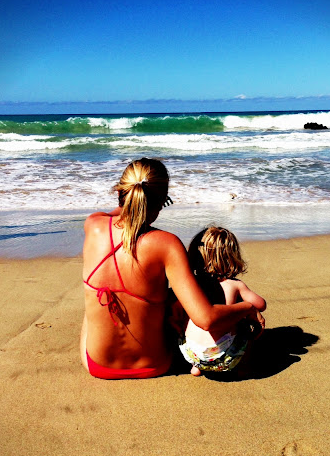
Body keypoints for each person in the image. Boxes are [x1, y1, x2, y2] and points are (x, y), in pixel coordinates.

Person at [80, 158, 263, 379]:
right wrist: (247, 308)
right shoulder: (167, 244)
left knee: (97, 296)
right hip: (155, 364)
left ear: (121, 192)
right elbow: (206, 319)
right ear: (161, 202)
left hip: (98, 366)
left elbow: (116, 215)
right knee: (174, 297)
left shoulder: (93, 224)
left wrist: (129, 201)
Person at [176, 226, 267, 376]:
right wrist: (245, 306)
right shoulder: (235, 285)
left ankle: (196, 367)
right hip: (225, 356)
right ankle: (243, 366)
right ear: (231, 257)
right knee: (245, 325)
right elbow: (261, 304)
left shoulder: (191, 286)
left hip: (192, 353)